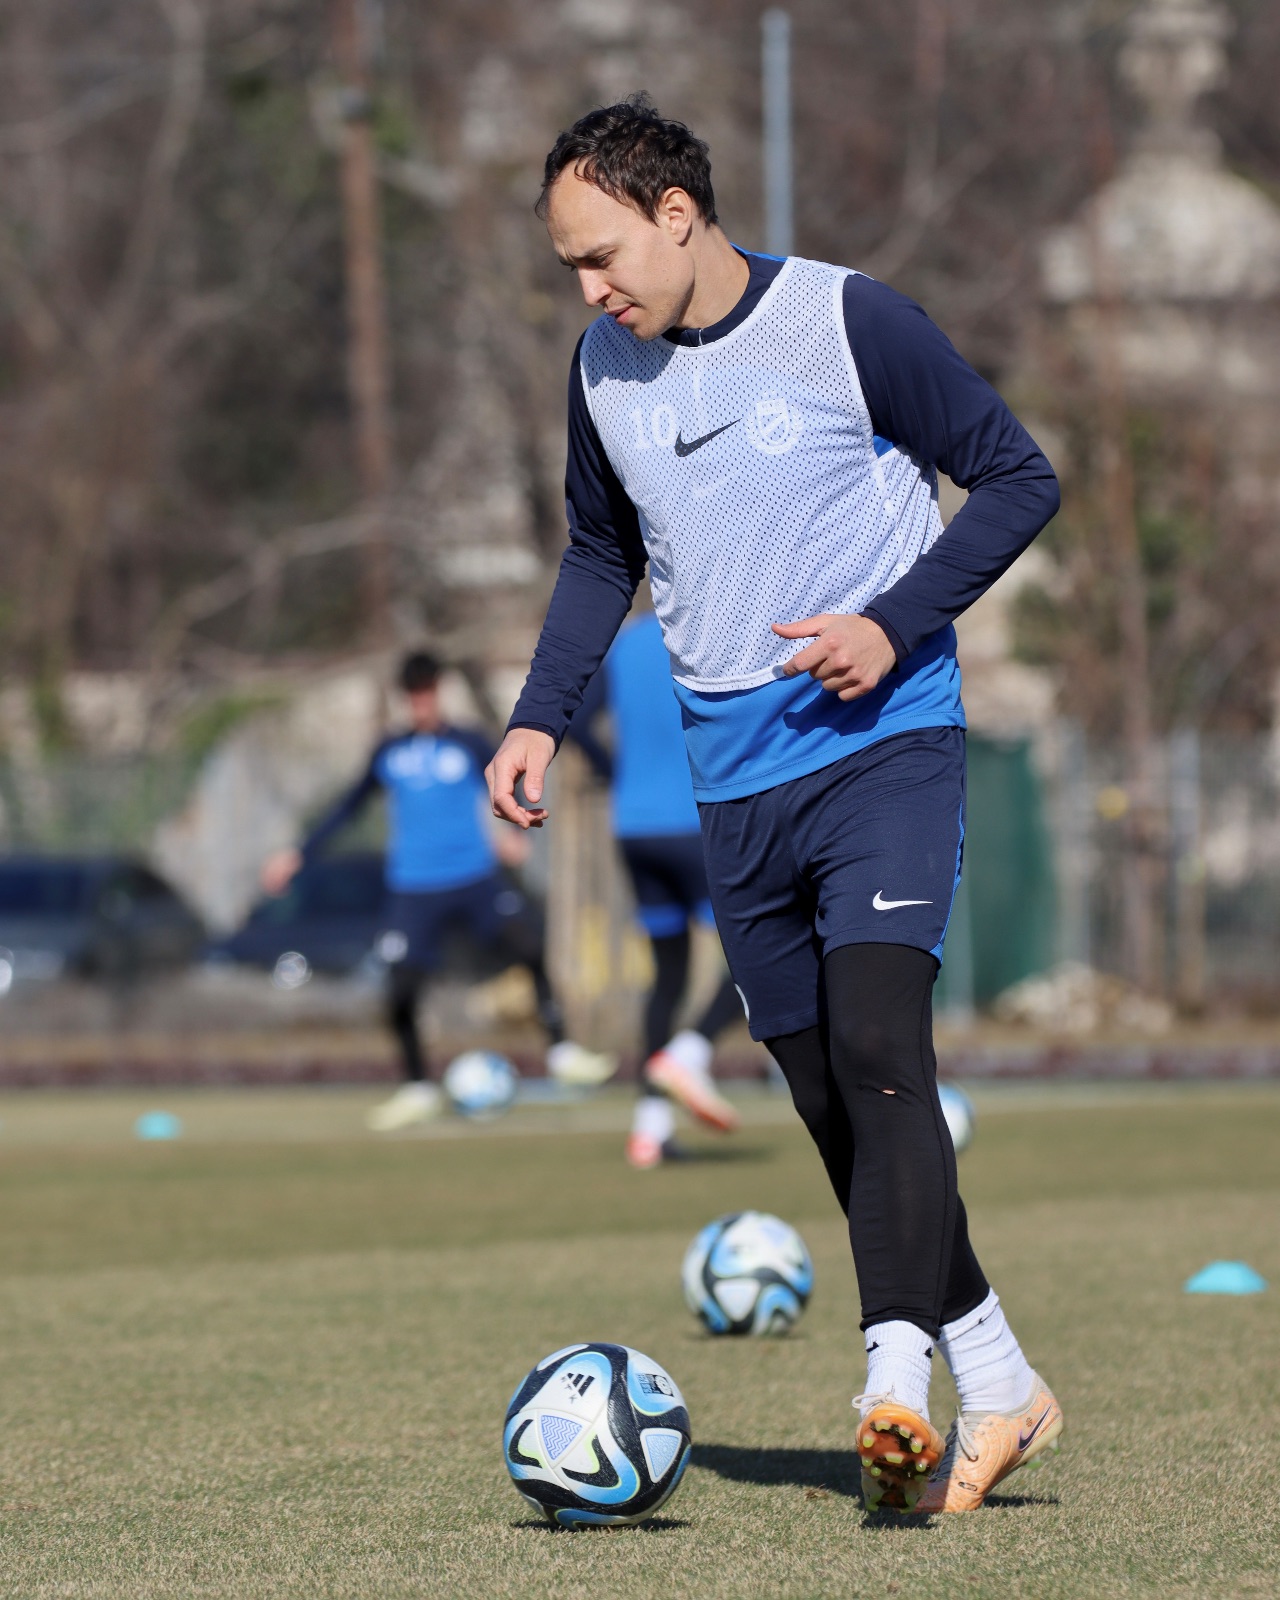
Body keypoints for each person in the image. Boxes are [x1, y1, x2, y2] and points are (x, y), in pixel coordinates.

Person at [486, 98, 1064, 1514]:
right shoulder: (601, 371)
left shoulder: (851, 322)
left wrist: (892, 621)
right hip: (735, 783)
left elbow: (1017, 477)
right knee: (825, 1100)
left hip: (885, 744)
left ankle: (892, 1385)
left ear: (678, 215)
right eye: (570, 266)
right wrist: (537, 715)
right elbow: (598, 554)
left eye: (603, 254)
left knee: (878, 1042)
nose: (589, 288)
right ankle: (1000, 1381)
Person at [262, 651, 610, 1132]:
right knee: (400, 987)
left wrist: (514, 828)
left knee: (528, 945)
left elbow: (502, 778)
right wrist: (299, 853)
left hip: (473, 877)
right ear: (405, 697)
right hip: (415, 887)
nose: (421, 702)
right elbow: (348, 807)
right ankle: (417, 1088)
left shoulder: (466, 742)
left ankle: (562, 1052)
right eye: (413, 693)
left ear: (438, 691)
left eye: (427, 691)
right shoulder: (389, 752)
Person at [571, 605, 744, 1168]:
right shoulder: (712, 631)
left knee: (667, 976)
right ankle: (689, 1055)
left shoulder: (624, 644)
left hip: (634, 826)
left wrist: (616, 772)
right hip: (695, 821)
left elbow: (576, 721)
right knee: (766, 952)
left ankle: (649, 1130)